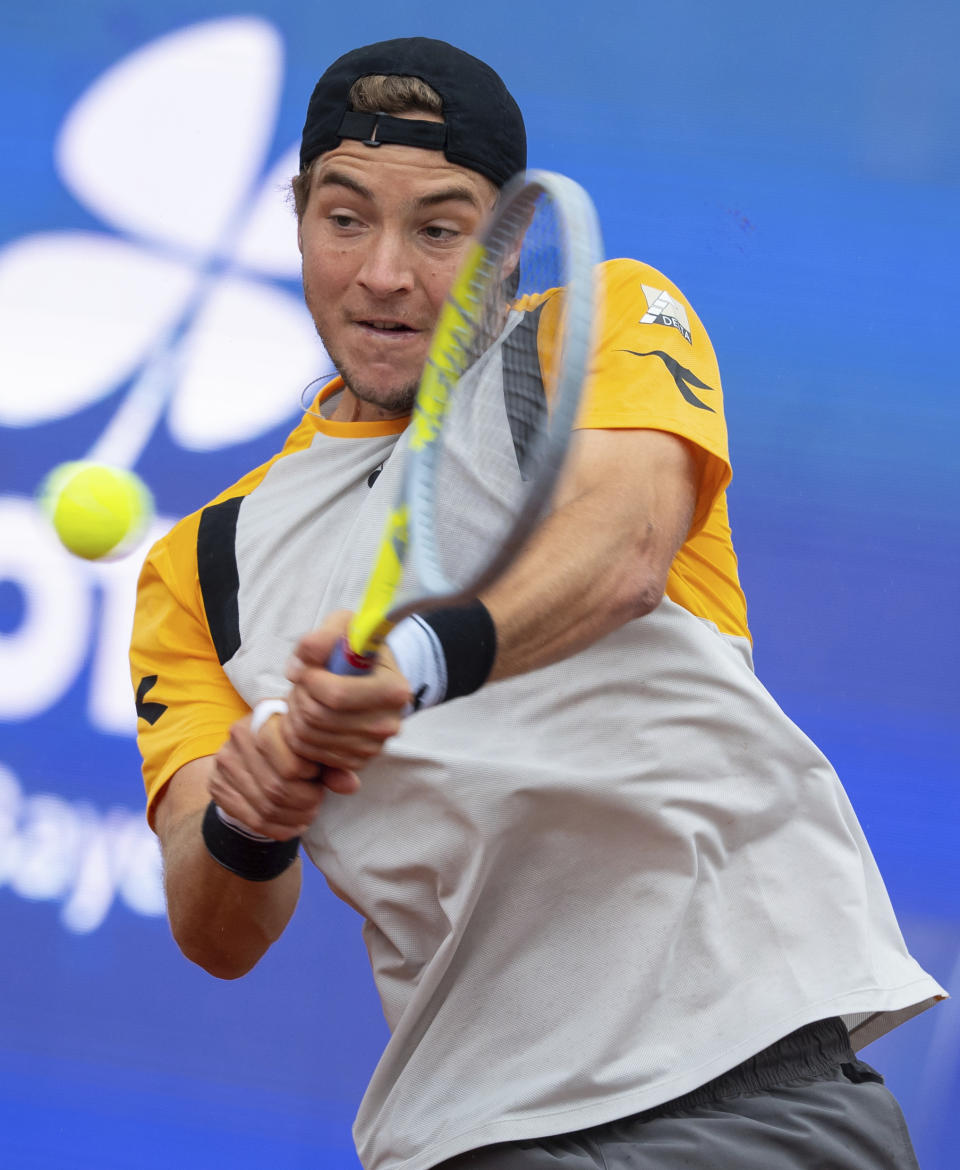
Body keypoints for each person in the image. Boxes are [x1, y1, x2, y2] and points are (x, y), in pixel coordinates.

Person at [130, 36, 944, 1170]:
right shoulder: (202, 562)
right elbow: (214, 927)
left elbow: (624, 549)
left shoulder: (591, 328)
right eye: (345, 216)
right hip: (467, 1132)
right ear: (299, 215)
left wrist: (413, 664)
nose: (383, 274)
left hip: (745, 1086)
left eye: (440, 228)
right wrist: (251, 819)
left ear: (507, 240)